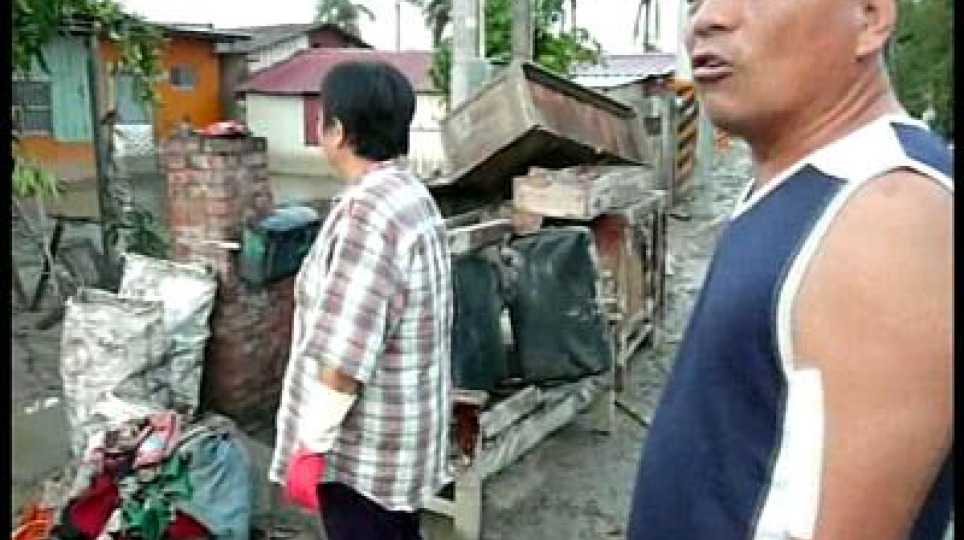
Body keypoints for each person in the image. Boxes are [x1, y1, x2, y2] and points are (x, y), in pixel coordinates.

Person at [627, 0, 953, 539]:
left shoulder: (888, 213)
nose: (706, 19)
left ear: (870, 18)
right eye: (697, 0)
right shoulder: (802, 182)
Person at [269, 61, 452, 540]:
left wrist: (311, 446)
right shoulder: (411, 194)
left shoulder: (368, 212)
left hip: (365, 459)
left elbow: (344, 355)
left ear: (338, 131)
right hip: (405, 438)